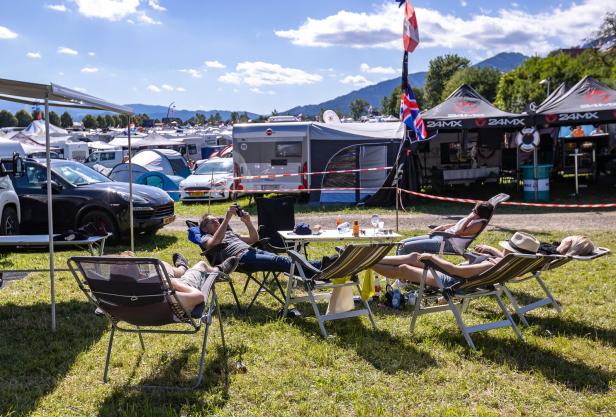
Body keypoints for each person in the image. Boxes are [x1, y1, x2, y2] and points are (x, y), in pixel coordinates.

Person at [373, 232, 540, 290]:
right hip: (457, 275)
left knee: (404, 269)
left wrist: (433, 258)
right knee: (413, 257)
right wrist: (488, 251)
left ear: (509, 251)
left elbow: (456, 271)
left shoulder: (492, 264)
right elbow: (500, 259)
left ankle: (369, 263)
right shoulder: (508, 263)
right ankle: (374, 258)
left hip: (452, 280)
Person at [188, 205, 321, 277]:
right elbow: (213, 244)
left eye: (216, 219)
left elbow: (253, 239)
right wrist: (227, 219)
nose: (216, 221)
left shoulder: (228, 233)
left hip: (252, 251)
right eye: (211, 221)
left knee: (282, 260)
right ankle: (318, 268)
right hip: (241, 259)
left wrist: (248, 222)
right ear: (204, 228)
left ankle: (316, 269)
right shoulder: (206, 237)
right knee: (280, 261)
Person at [115, 251, 239, 313]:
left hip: (142, 310)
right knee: (201, 265)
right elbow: (199, 297)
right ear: (141, 274)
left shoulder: (115, 296)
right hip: (180, 292)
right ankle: (218, 270)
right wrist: (175, 284)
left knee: (162, 264)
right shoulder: (163, 294)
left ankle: (182, 268)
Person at [397, 201, 494, 255]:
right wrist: (443, 227)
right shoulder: (474, 218)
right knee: (401, 243)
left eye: (475, 210)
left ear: (479, 214)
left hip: (448, 243)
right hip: (442, 237)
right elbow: (457, 226)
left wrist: (469, 217)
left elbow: (459, 231)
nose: (472, 210)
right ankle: (400, 274)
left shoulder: (477, 224)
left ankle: (401, 277)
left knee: (404, 247)